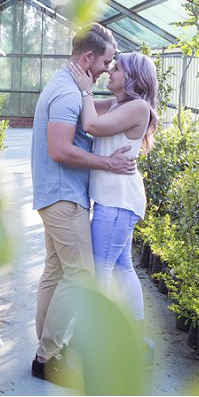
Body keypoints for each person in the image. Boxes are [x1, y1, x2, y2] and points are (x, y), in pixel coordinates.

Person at [30, 23, 136, 384]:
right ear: (88, 57)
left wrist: (123, 101)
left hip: (54, 195)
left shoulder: (70, 87)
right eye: (106, 61)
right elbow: (60, 149)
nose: (109, 68)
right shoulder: (67, 94)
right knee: (81, 276)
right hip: (64, 196)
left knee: (56, 272)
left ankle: (46, 348)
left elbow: (97, 111)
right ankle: (47, 357)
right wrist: (110, 163)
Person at [67, 51, 158, 330]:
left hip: (117, 202)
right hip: (116, 200)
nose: (109, 72)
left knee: (101, 271)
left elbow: (90, 123)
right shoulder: (119, 104)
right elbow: (88, 107)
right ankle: (136, 337)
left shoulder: (138, 107)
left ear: (131, 77)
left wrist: (84, 89)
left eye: (116, 69)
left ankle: (100, 340)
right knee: (122, 266)